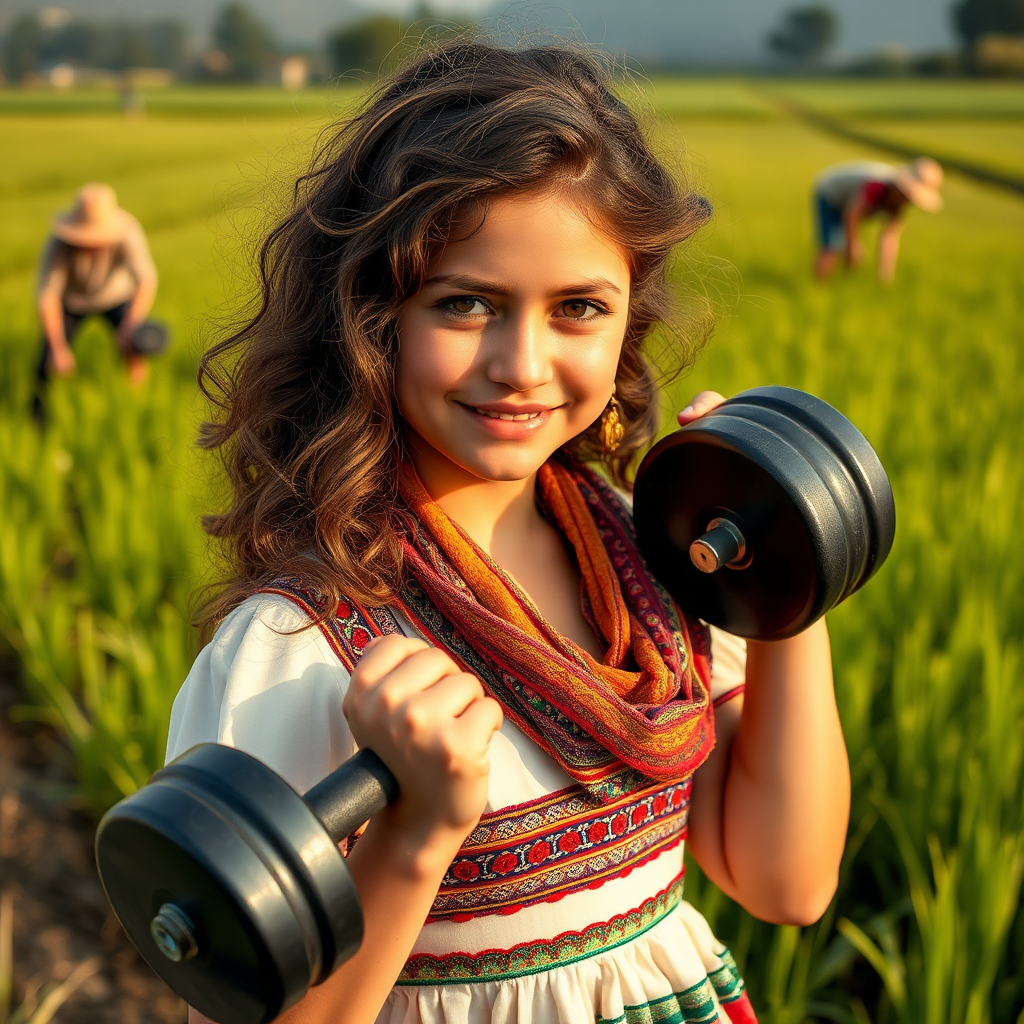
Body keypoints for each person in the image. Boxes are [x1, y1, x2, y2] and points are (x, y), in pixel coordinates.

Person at [168, 44, 850, 1024]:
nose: (522, 364)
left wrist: (787, 560)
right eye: (465, 303)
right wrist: (414, 834)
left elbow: (783, 880)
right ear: (373, 317)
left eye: (578, 308)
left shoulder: (652, 563)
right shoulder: (304, 650)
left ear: (627, 321)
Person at [36, 183, 158, 393]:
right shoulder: (58, 244)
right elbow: (48, 296)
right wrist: (57, 348)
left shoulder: (127, 234)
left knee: (134, 351)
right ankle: (38, 414)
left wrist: (130, 324)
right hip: (72, 302)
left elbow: (146, 280)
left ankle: (136, 397)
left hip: (117, 296)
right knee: (46, 363)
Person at [812, 157, 943, 282]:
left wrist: (885, 273)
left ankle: (840, 284)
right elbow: (852, 213)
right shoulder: (878, 185)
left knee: (847, 246)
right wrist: (853, 245)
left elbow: (890, 235)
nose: (908, 201)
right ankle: (820, 285)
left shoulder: (900, 201)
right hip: (831, 195)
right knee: (831, 246)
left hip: (850, 203)